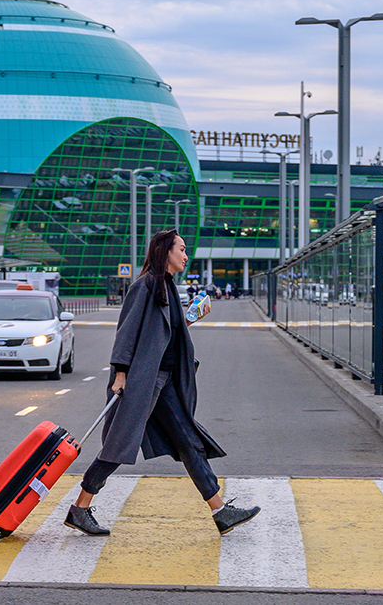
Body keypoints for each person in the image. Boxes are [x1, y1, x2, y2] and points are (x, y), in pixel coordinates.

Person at [64, 229, 260, 537]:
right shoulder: (145, 285)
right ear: (165, 251)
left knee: (188, 441)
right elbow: (126, 332)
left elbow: (165, 331)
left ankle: (220, 511)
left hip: (164, 382)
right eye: (181, 249)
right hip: (143, 381)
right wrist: (120, 373)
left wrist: (191, 318)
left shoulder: (166, 286)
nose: (185, 255)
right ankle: (80, 508)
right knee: (119, 444)